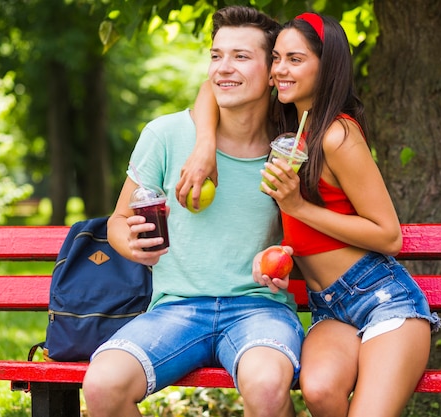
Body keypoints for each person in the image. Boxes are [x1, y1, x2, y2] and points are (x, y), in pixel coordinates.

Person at [177, 11, 441, 417]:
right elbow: (211, 88)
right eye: (277, 59)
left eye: (295, 60)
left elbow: (389, 236)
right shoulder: (287, 126)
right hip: (329, 307)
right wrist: (204, 146)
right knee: (318, 391)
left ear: (327, 64)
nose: (281, 69)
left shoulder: (338, 134)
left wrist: (297, 206)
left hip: (381, 298)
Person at [82, 6, 305, 417]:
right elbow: (116, 221)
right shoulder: (166, 135)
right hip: (175, 308)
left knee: (268, 387)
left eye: (241, 56)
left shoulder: (289, 150)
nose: (223, 68)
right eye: (216, 55)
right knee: (101, 385)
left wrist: (286, 260)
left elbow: (307, 237)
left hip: (259, 310)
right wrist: (131, 244)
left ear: (273, 73)